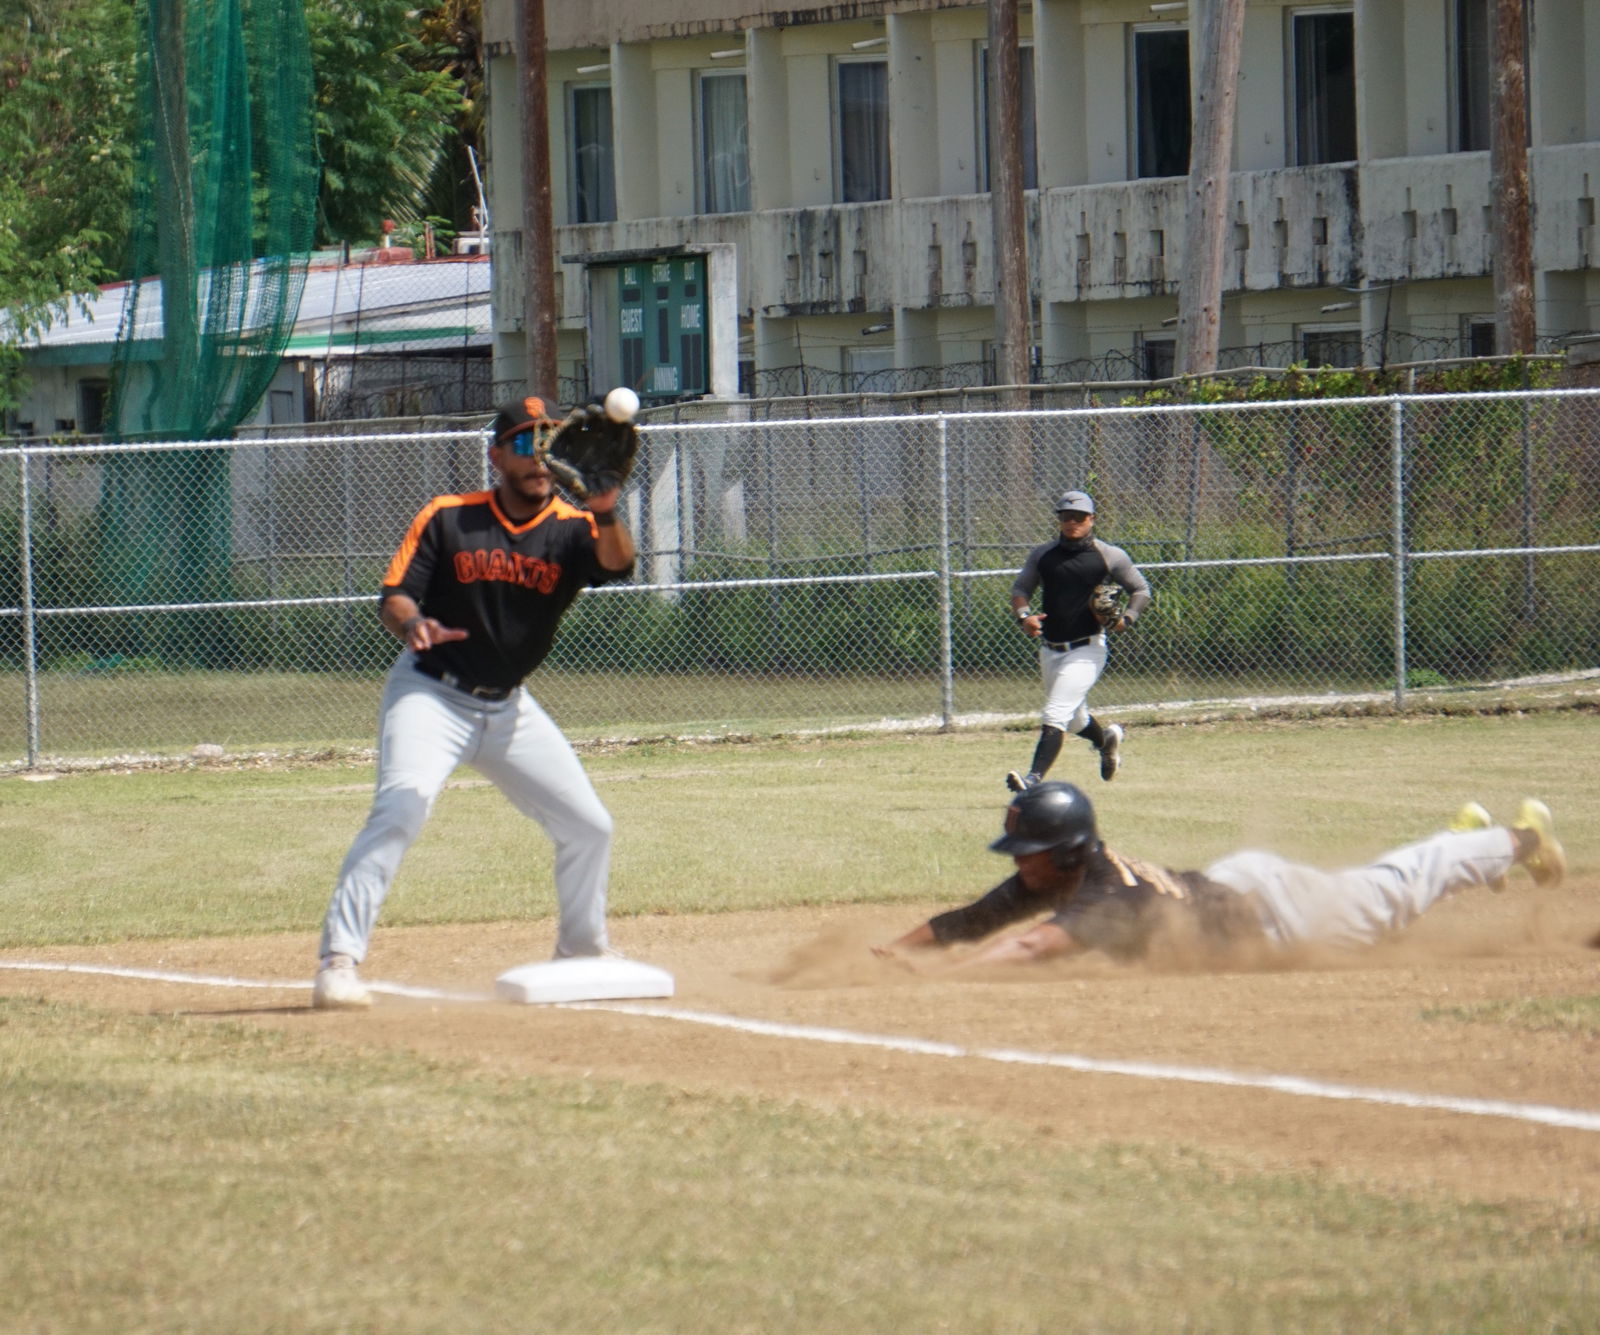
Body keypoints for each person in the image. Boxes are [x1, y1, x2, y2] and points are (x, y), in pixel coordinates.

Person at [312, 395, 637, 1009]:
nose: (538, 457)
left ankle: (581, 948)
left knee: (590, 826)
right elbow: (395, 596)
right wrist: (412, 626)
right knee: (400, 812)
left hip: (509, 708)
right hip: (431, 694)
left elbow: (618, 566)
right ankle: (338, 961)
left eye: (548, 441)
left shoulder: (573, 527)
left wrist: (607, 508)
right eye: (522, 443)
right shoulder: (449, 517)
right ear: (495, 455)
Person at [873, 783, 1566, 971]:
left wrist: (947, 979)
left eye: (1027, 848)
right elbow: (968, 923)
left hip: (1278, 912)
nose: (1017, 860)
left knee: (1399, 884)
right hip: (1230, 884)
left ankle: (1521, 835)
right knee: (1395, 880)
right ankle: (1465, 838)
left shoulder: (1109, 895)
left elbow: (1026, 947)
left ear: (1067, 849)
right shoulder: (1056, 874)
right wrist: (892, 954)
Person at [1007, 490, 1150, 792]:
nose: (1072, 522)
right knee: (1074, 720)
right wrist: (1024, 617)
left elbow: (1140, 590)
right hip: (1051, 649)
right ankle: (1105, 742)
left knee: (1055, 713)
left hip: (1088, 649)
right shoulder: (1043, 555)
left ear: (1092, 519)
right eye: (1066, 516)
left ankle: (1032, 780)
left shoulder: (1108, 555)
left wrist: (1127, 619)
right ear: (1058, 520)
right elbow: (1021, 588)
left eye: (1079, 517)